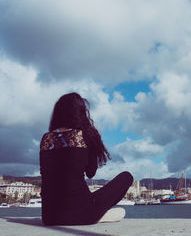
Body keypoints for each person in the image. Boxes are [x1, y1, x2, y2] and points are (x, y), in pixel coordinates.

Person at [40, 92, 133, 225]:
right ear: (81, 113)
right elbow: (91, 173)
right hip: (80, 214)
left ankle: (97, 214)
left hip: (49, 217)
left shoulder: (46, 139)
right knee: (127, 177)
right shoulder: (84, 136)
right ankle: (97, 215)